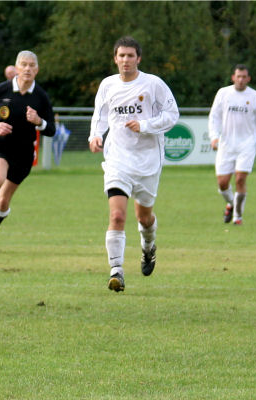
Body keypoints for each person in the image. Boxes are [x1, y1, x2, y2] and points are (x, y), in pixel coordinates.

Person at [88, 36, 179, 292]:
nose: (125, 60)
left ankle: (148, 247)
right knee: (117, 215)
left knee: (144, 217)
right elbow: (100, 115)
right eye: (121, 56)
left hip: (148, 161)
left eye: (130, 56)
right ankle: (116, 271)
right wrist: (95, 135)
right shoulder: (107, 85)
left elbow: (173, 115)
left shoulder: (153, 84)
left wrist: (146, 126)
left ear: (138, 58)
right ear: (115, 58)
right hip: (117, 159)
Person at [0, 50, 56, 252]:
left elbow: (51, 129)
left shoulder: (41, 97)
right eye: (23, 64)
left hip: (24, 154)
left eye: (31, 65)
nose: (27, 69)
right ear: (17, 68)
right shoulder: (2, 90)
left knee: (4, 200)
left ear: (37, 69)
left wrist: (39, 121)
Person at [208, 64, 256, 225]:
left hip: (247, 144)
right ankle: (231, 203)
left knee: (239, 179)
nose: (241, 79)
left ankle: (237, 217)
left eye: (244, 77)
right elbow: (214, 117)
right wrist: (214, 137)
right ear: (233, 77)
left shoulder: (255, 96)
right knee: (223, 183)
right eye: (238, 76)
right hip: (226, 144)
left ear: (248, 79)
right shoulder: (223, 93)